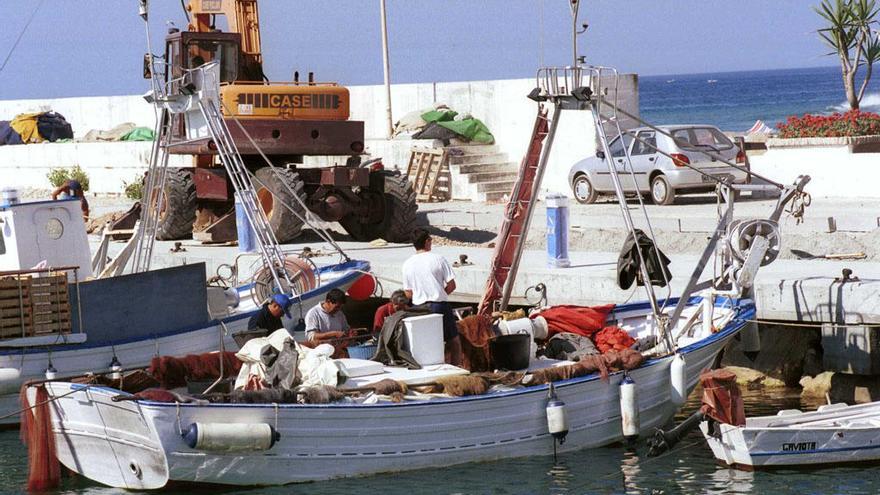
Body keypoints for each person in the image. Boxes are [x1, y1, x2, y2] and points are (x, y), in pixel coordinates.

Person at [402, 228, 462, 366]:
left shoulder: (407, 264)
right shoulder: (438, 259)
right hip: (439, 305)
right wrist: (440, 293)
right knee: (454, 341)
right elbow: (452, 285)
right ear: (427, 241)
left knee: (425, 343)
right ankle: (456, 368)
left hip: (419, 308)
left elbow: (408, 293)